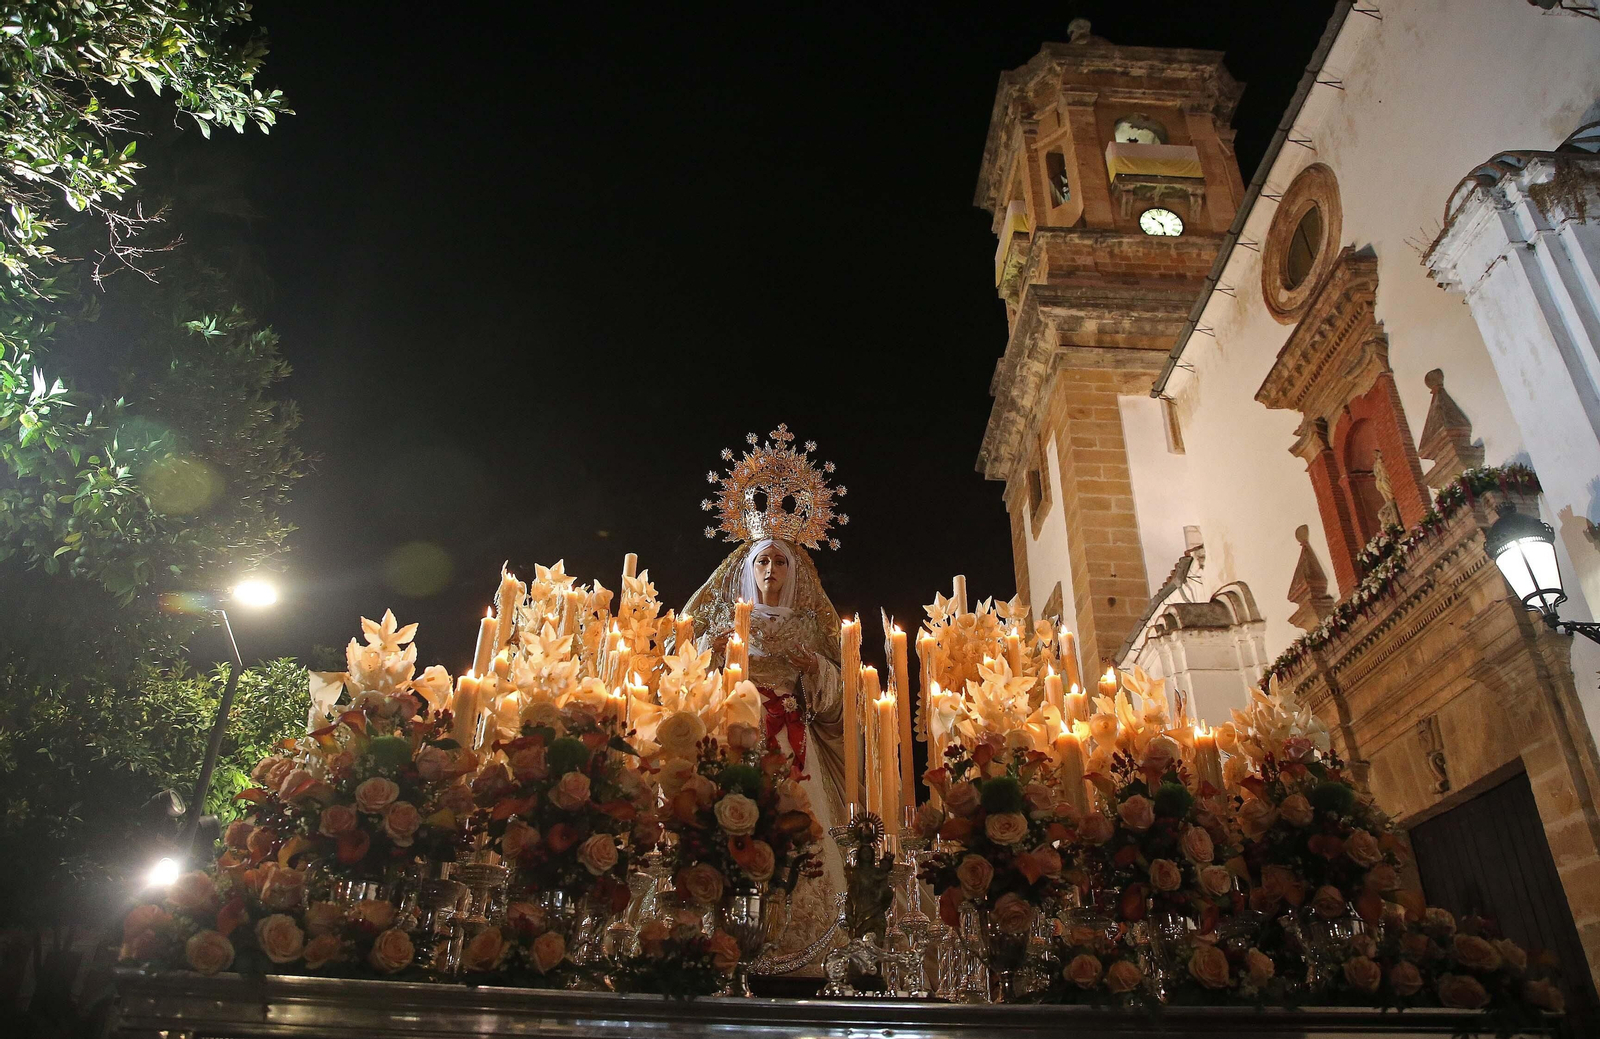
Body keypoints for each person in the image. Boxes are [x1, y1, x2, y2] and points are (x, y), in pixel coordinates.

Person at [681, 536, 845, 966]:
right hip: (739, 731)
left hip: (792, 744)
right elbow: (687, 677)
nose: (771, 569)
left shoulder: (809, 626)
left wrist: (817, 670)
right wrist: (707, 653)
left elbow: (839, 692)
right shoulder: (727, 619)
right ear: (747, 569)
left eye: (780, 562)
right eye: (763, 561)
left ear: (793, 572)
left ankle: (806, 944)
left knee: (799, 823)